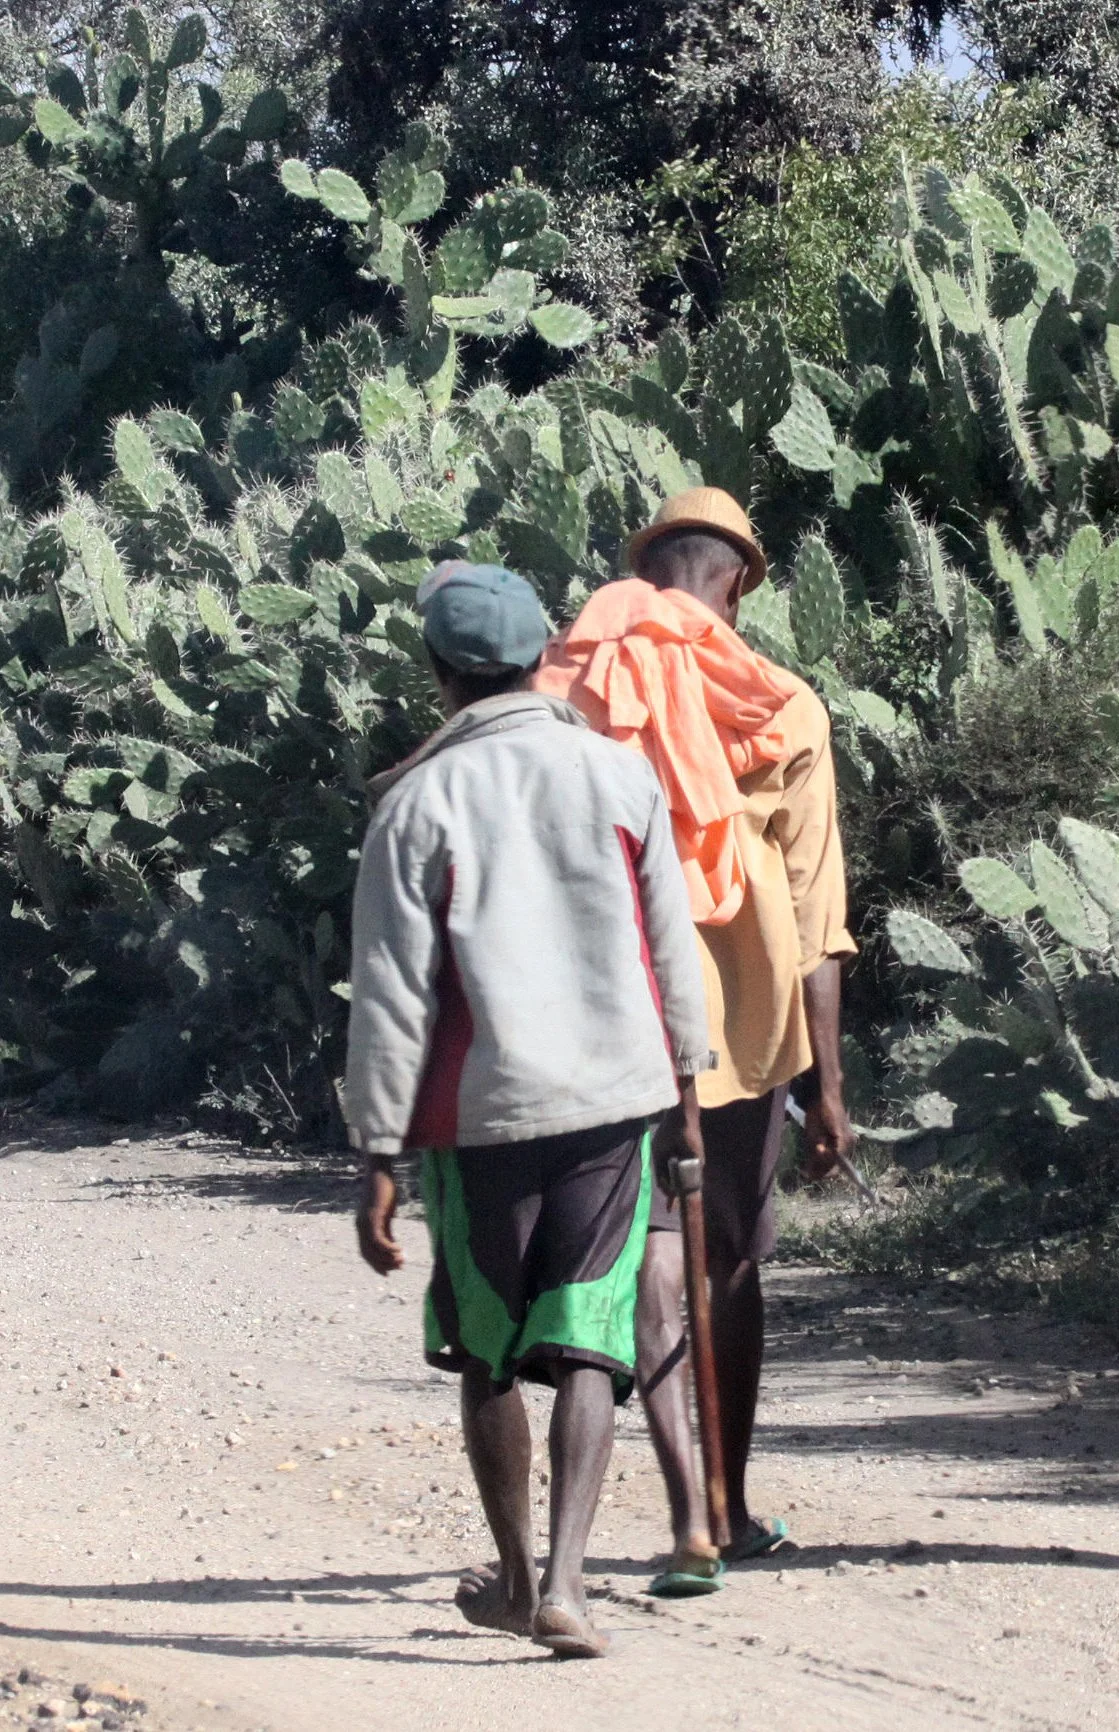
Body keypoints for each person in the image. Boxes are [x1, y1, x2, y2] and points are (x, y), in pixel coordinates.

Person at [345, 562, 715, 1657]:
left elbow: (392, 993)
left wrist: (377, 1151)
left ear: (438, 672)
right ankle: (568, 1583)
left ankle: (512, 1579)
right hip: (614, 1101)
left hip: (481, 1114)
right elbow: (669, 954)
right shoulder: (619, 776)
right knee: (592, 1344)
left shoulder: (415, 802)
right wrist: (686, 1096)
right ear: (543, 651)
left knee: (488, 1350)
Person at [533, 487, 857, 1596]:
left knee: (648, 1249)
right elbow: (818, 918)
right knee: (726, 1252)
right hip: (747, 1028)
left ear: (651, 566)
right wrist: (828, 1086)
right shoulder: (781, 704)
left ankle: (688, 1520)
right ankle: (723, 1501)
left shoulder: (572, 682)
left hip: (600, 1011)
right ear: (739, 581)